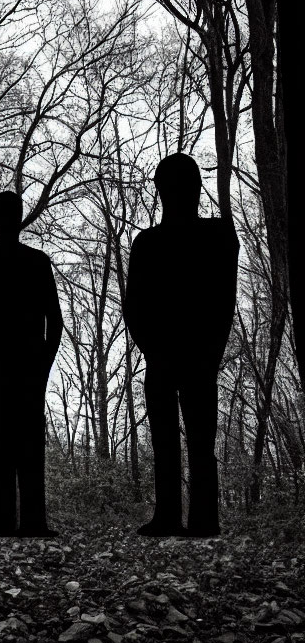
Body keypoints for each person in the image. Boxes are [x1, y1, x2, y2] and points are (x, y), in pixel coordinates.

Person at [124, 153, 238, 537]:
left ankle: (197, 518)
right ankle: (174, 516)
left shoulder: (214, 236)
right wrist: (154, 350)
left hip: (189, 356)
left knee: (195, 440)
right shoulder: (157, 242)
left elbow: (223, 301)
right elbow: (134, 307)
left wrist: (205, 353)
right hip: (171, 356)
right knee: (175, 441)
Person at [0, 191, 63, 537]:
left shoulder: (36, 262)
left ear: (16, 219)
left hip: (26, 366)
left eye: (7, 215)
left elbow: (55, 319)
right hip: (0, 365)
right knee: (0, 439)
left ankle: (33, 519)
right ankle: (5, 518)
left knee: (27, 439)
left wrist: (44, 364)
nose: (2, 222)